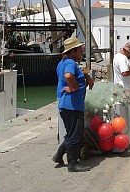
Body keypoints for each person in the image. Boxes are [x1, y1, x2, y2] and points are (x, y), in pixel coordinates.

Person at [52, 37, 94, 172]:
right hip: (72, 105)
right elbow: (69, 76)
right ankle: (72, 163)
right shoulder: (70, 62)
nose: (82, 51)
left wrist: (86, 76)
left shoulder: (64, 62)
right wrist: (75, 87)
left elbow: (73, 73)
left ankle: (58, 155)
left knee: (71, 133)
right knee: (76, 135)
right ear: (73, 51)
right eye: (80, 49)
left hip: (67, 105)